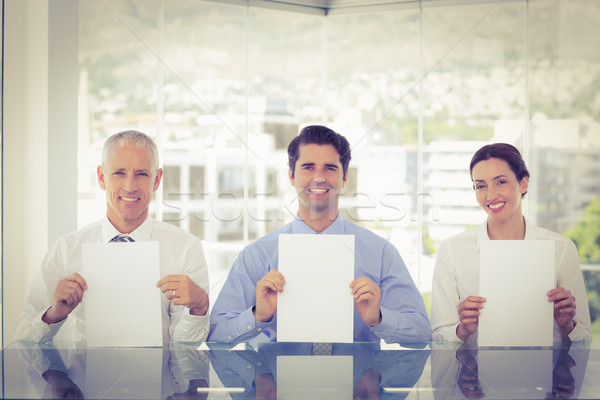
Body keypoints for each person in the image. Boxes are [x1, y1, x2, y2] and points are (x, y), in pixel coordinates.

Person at [208, 125, 431, 344]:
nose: (319, 177)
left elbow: (421, 331)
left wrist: (379, 318)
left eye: (330, 168)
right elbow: (217, 333)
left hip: (358, 378)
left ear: (344, 178)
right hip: (276, 378)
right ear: (291, 176)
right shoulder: (257, 255)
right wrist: (258, 316)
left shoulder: (381, 253)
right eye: (308, 167)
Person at [14, 130, 209, 343]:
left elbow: (186, 349)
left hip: (158, 376)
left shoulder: (186, 248)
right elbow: (22, 338)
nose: (130, 186)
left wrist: (199, 309)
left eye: (142, 174)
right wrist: (53, 315)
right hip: (82, 376)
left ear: (156, 180)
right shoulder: (65, 249)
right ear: (101, 177)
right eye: (119, 173)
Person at [431, 143, 592, 343]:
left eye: (500, 182)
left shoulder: (561, 249)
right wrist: (462, 331)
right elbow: (438, 336)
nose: (490, 196)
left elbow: (585, 339)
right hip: (475, 371)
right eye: (481, 186)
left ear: (523, 183)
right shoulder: (453, 250)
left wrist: (567, 325)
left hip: (544, 373)